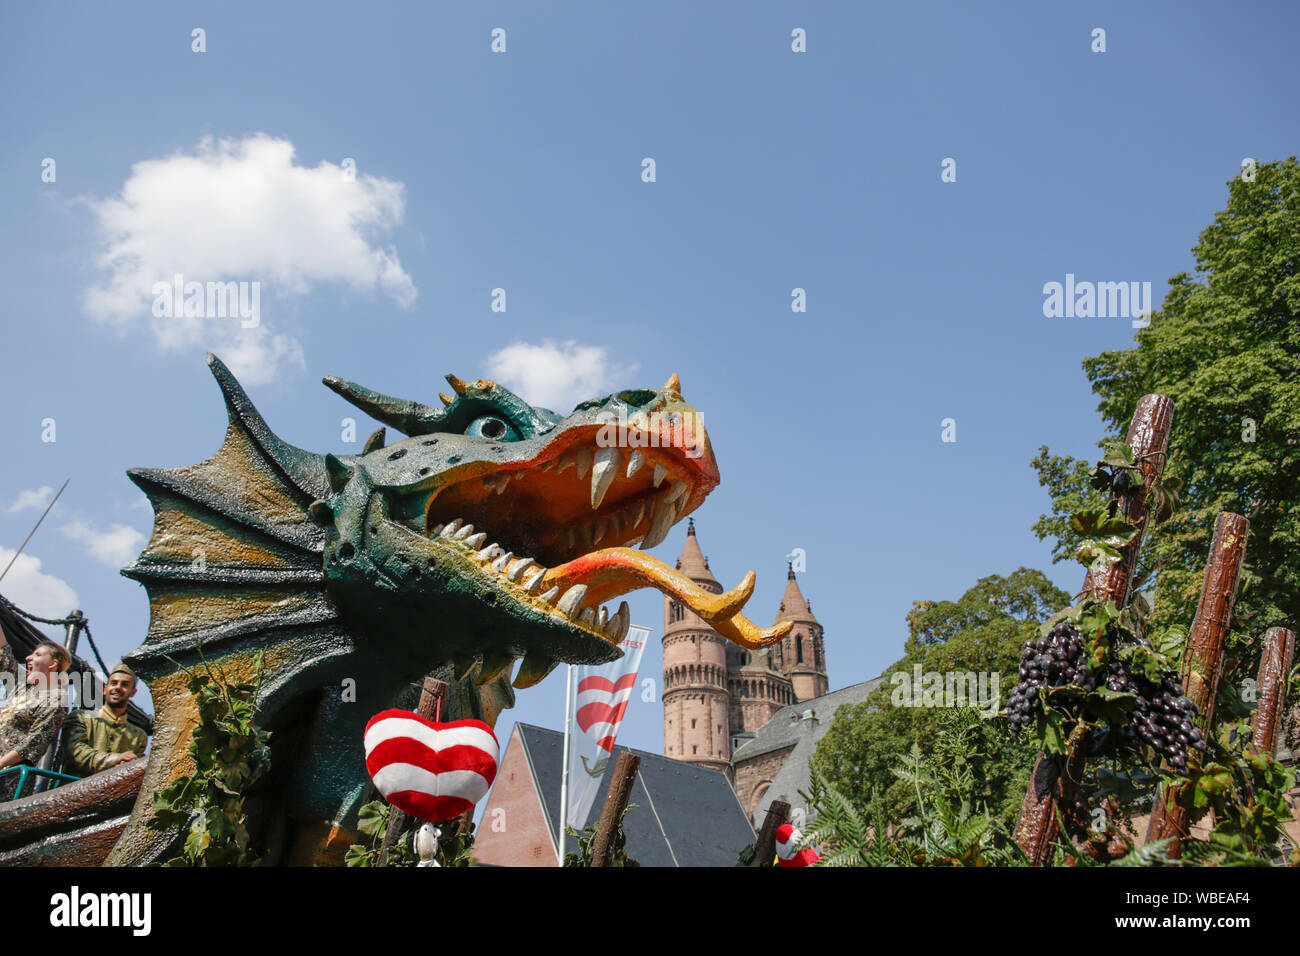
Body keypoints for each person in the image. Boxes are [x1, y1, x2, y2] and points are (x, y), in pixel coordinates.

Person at [0, 628, 72, 800]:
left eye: (38, 655)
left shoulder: (55, 700)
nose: (28, 658)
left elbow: (32, 744)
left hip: (9, 779)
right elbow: (3, 652)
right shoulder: (20, 687)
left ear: (53, 664)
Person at [62, 663, 148, 778]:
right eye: (114, 683)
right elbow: (76, 753)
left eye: (125, 685)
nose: (118, 687)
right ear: (105, 689)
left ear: (133, 692)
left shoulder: (139, 736)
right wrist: (116, 759)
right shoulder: (80, 718)